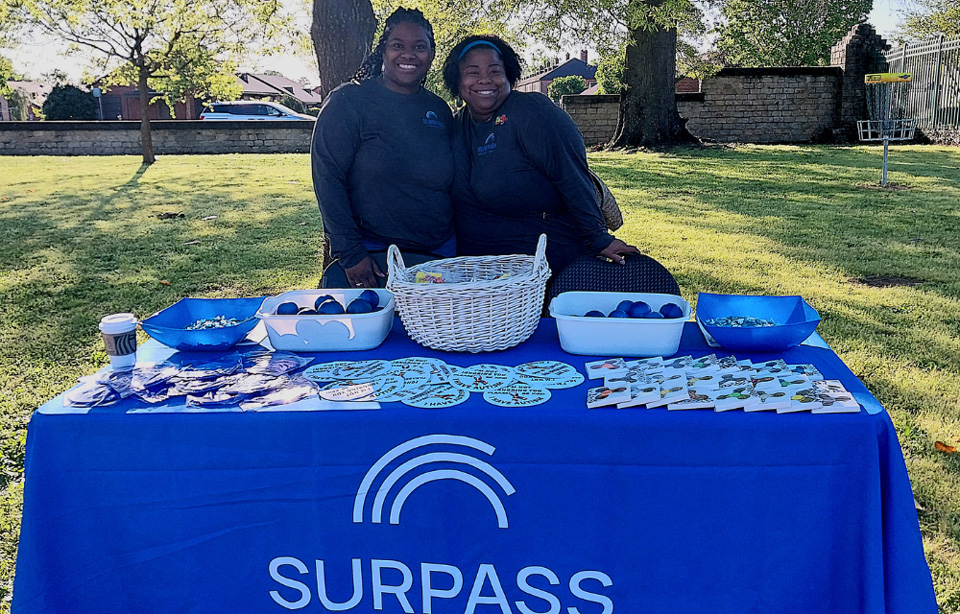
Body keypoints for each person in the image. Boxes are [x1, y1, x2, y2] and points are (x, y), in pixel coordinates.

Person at [442, 35, 640, 274]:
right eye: (472, 72)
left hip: (548, 257)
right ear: (457, 79)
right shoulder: (458, 125)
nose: (485, 80)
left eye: (495, 71)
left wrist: (599, 238)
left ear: (509, 76)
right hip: (488, 268)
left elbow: (572, 176)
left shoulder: (533, 113)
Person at [311, 8, 455, 288]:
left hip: (439, 254)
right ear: (383, 51)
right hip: (373, 256)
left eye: (419, 47)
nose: (408, 54)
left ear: (432, 54)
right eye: (398, 45)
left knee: (432, 332)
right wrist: (351, 253)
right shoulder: (349, 102)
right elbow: (327, 178)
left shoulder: (438, 110)